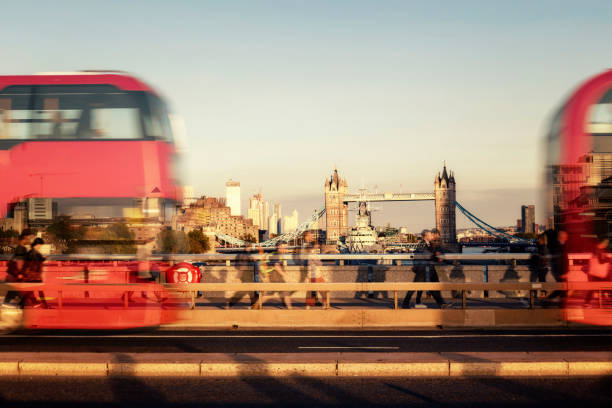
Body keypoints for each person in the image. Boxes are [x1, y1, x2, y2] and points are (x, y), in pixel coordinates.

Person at [402, 229, 447, 309]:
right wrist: (435, 254)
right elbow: (425, 254)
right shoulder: (422, 244)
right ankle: (405, 303)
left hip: (430, 268)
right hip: (422, 269)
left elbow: (437, 252)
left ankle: (441, 304)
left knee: (434, 286)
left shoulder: (430, 244)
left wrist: (438, 255)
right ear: (426, 236)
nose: (432, 236)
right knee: (416, 287)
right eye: (430, 235)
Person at [3, 229, 35, 306]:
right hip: (14, 277)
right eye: (30, 237)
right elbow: (19, 263)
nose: (31, 239)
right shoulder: (21, 248)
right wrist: (20, 274)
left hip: (12, 276)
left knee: (11, 297)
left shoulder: (20, 247)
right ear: (25, 237)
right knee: (14, 296)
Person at [259, 243, 293, 309]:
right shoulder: (276, 254)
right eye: (282, 247)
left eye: (285, 247)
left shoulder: (278, 254)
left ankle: (290, 309)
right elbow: (276, 266)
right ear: (278, 247)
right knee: (269, 295)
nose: (284, 249)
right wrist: (286, 276)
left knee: (285, 293)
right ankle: (256, 306)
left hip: (276, 276)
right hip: (274, 276)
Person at [583, 236, 610, 308]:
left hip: (595, 273)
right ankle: (587, 303)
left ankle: (604, 296)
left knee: (594, 286)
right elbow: (601, 261)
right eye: (606, 242)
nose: (607, 244)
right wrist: (608, 260)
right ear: (602, 242)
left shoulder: (598, 249)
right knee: (594, 286)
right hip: (595, 273)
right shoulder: (597, 250)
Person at [22, 238, 49, 308]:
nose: (41, 247)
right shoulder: (35, 253)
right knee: (36, 290)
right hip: (34, 275)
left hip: (30, 274)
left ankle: (21, 304)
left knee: (30, 290)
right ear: (38, 244)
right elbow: (37, 262)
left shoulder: (31, 251)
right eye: (40, 245)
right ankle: (44, 304)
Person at [546, 230, 568, 300]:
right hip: (560, 270)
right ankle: (548, 299)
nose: (567, 238)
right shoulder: (559, 246)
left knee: (563, 287)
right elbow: (559, 260)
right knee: (562, 287)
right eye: (565, 236)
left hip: (560, 270)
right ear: (562, 237)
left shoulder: (560, 245)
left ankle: (560, 302)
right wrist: (563, 272)